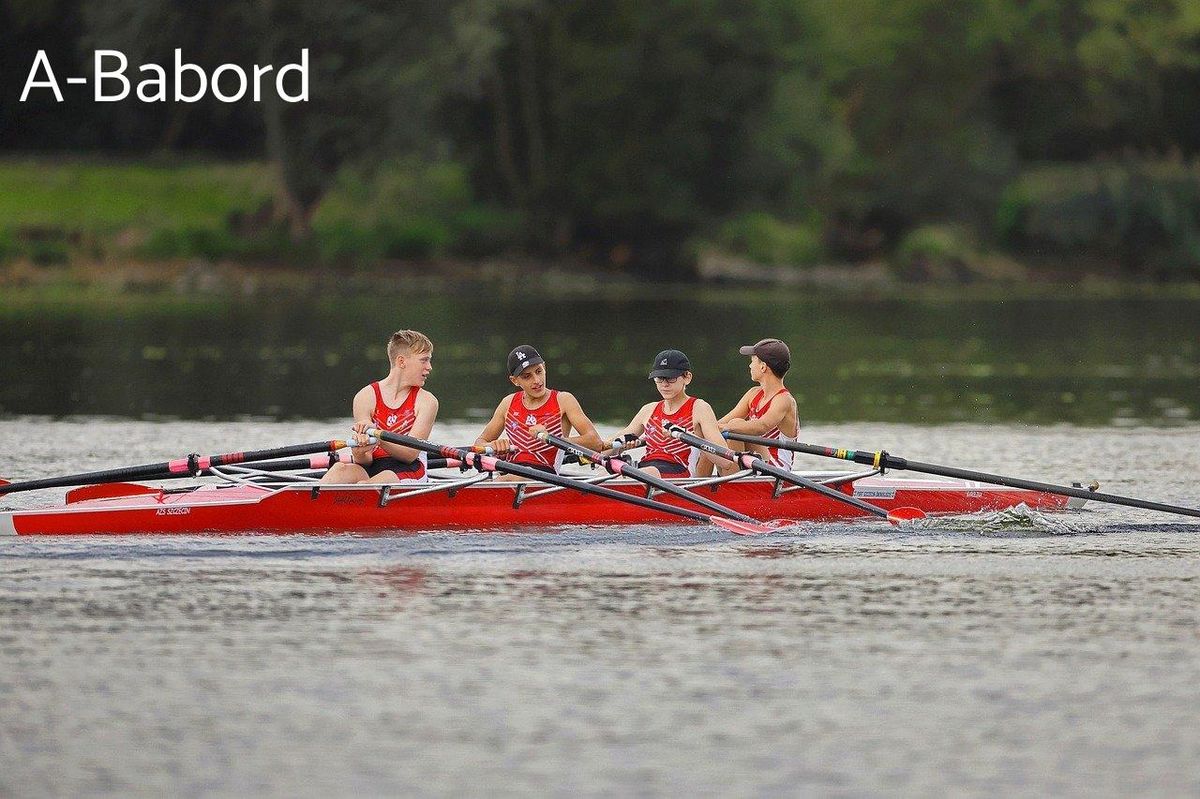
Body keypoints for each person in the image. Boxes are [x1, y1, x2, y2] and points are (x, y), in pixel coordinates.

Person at [322, 329, 439, 484]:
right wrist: (359, 452)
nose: (429, 367)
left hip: (410, 469)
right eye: (424, 360)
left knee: (366, 486)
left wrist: (377, 437)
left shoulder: (426, 401)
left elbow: (410, 453)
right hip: (373, 468)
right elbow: (365, 461)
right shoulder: (365, 397)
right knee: (338, 471)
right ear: (401, 361)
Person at [473, 345, 604, 480]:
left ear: (544, 367)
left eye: (538, 371)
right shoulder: (508, 403)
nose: (537, 380)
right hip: (509, 472)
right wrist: (492, 445)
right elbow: (479, 443)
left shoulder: (564, 400)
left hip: (544, 477)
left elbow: (595, 443)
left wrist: (553, 439)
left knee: (505, 480)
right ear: (515, 380)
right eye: (527, 376)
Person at [613, 349, 735, 479]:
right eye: (659, 378)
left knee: (643, 473)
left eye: (670, 378)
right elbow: (611, 445)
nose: (664, 384)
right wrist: (619, 448)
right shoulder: (648, 409)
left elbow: (725, 460)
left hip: (679, 471)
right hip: (646, 468)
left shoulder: (700, 408)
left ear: (687, 377)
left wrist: (687, 436)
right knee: (608, 472)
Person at [704, 338, 798, 472]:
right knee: (709, 436)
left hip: (776, 470)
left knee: (735, 427)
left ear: (763, 366)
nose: (749, 366)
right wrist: (702, 430)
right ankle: (699, 483)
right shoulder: (753, 394)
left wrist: (726, 427)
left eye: (752, 361)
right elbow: (721, 422)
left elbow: (761, 426)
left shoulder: (784, 400)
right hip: (754, 463)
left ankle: (730, 484)